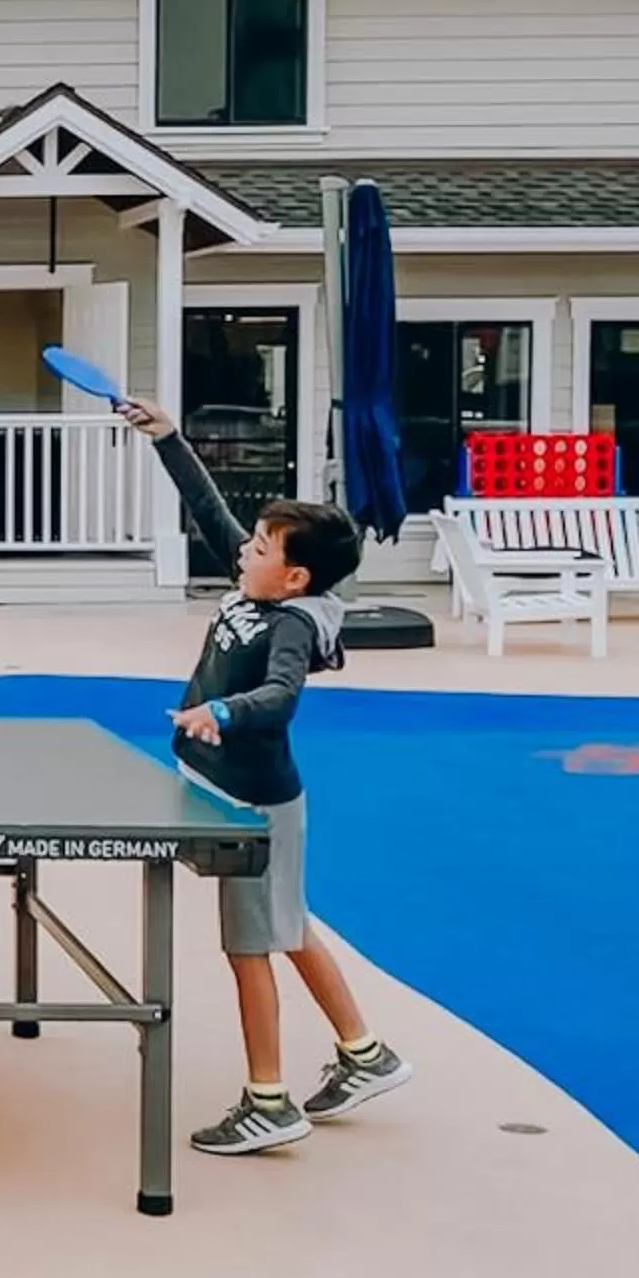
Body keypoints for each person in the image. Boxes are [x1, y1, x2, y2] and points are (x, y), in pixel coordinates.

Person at [116, 396, 412, 1155]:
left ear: (295, 576)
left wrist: (224, 709)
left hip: (253, 810)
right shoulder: (256, 586)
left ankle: (268, 1101)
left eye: (259, 547)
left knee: (250, 948)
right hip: (228, 791)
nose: (243, 550)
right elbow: (208, 510)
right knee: (290, 924)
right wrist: (169, 438)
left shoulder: (290, 624)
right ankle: (365, 1053)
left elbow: (280, 697)